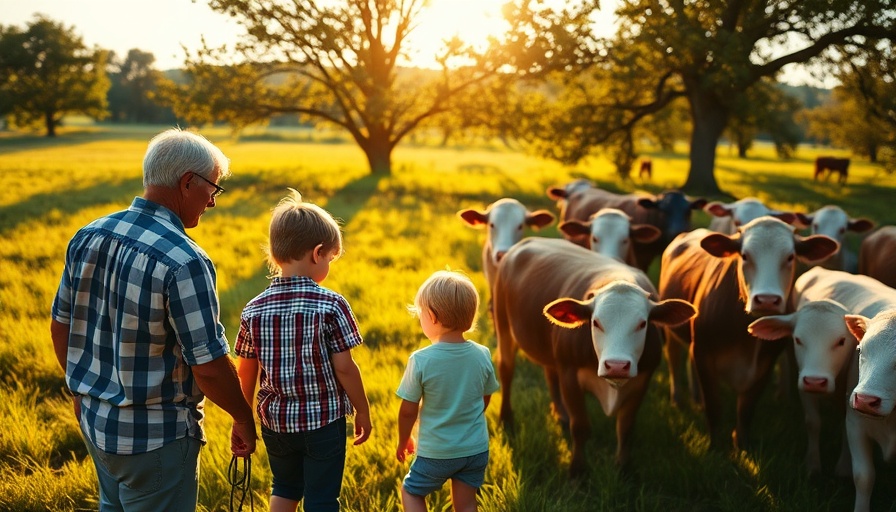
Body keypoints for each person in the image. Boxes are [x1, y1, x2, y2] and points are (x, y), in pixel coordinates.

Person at [50, 127, 257, 512]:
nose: (212, 201)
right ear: (187, 183)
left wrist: (81, 391)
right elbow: (209, 367)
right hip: (156, 441)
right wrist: (243, 417)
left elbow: (61, 325)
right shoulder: (185, 260)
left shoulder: (88, 234)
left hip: (96, 425)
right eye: (213, 188)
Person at [234, 189, 372, 512]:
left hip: (276, 424)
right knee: (322, 497)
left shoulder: (253, 310)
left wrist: (241, 420)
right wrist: (362, 409)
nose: (329, 266)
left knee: (283, 487)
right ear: (318, 253)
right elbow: (345, 368)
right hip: (323, 422)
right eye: (331, 259)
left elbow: (246, 372)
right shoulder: (331, 305)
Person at [396, 270, 500, 512]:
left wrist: (404, 440)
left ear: (431, 316)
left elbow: (408, 411)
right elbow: (485, 396)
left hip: (436, 452)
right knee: (465, 505)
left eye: (420, 313)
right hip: (475, 449)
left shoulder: (421, 360)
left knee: (411, 491)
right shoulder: (482, 354)